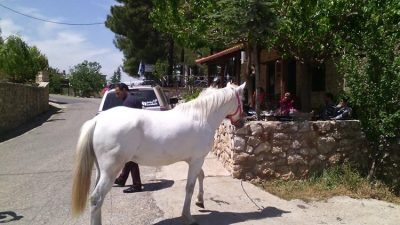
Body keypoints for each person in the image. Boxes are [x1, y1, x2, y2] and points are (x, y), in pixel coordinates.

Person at [113, 83, 143, 193]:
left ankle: (137, 185)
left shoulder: (128, 103)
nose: (117, 95)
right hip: (137, 134)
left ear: (124, 90)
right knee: (130, 159)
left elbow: (127, 122)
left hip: (131, 135)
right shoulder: (134, 99)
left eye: (118, 93)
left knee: (132, 159)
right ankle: (122, 179)